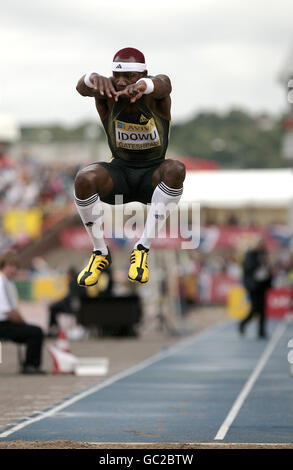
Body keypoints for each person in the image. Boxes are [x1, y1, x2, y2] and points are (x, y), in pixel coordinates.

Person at [74, 47, 185, 287]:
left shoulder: (156, 94)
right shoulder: (107, 93)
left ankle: (142, 248)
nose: (122, 81)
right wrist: (92, 77)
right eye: (117, 75)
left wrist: (144, 86)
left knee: (176, 168)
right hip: (120, 175)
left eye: (129, 77)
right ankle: (99, 252)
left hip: (152, 178)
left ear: (143, 74)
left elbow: (164, 83)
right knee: (84, 178)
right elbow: (81, 88)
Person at [0, 253, 46, 374]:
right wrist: (23, 323)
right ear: (3, 266)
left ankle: (31, 364)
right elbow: (8, 311)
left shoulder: (9, 283)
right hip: (3, 323)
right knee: (35, 332)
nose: (14, 269)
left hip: (7, 322)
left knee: (33, 331)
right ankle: (30, 365)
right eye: (11, 266)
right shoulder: (2, 283)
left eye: (16, 266)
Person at [239, 237, 273, 339]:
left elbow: (269, 268)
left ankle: (261, 331)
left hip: (262, 285)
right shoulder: (250, 254)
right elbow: (248, 268)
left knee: (262, 310)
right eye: (259, 243)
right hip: (253, 286)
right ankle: (243, 323)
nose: (260, 246)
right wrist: (259, 263)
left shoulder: (264, 254)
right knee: (254, 309)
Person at [47, 267, 83, 337]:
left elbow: (68, 298)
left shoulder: (73, 283)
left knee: (53, 308)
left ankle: (54, 328)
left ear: (70, 275)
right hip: (76, 307)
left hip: (71, 308)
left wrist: (56, 303)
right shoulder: (79, 282)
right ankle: (55, 327)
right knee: (54, 308)